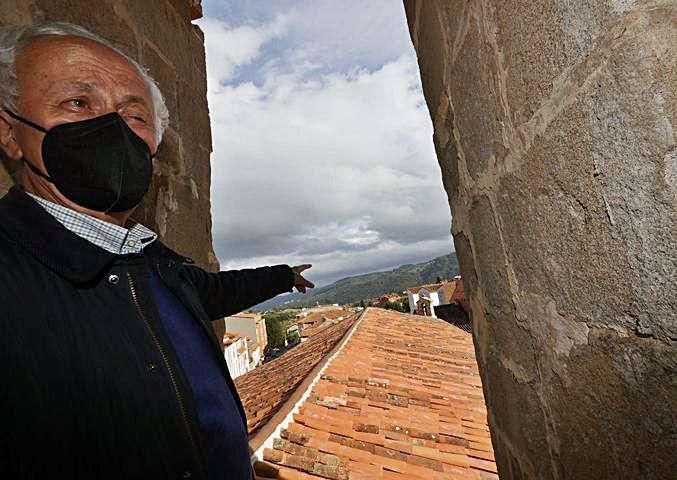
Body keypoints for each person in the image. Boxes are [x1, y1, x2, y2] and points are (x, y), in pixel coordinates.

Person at [0, 22, 313, 480]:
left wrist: (284, 275)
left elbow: (211, 292)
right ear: (10, 132)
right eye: (77, 102)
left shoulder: (148, 260)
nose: (111, 126)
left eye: (134, 115)